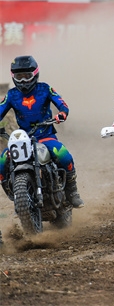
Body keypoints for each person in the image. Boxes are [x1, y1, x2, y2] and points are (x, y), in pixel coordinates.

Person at [0, 56, 84, 207]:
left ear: (35, 74)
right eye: (19, 77)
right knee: (2, 159)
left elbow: (62, 104)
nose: (23, 81)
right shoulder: (11, 95)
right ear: (13, 77)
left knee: (63, 154)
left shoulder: (45, 89)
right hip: (24, 140)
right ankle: (11, 190)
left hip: (45, 136)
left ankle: (72, 192)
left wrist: (62, 114)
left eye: (27, 76)